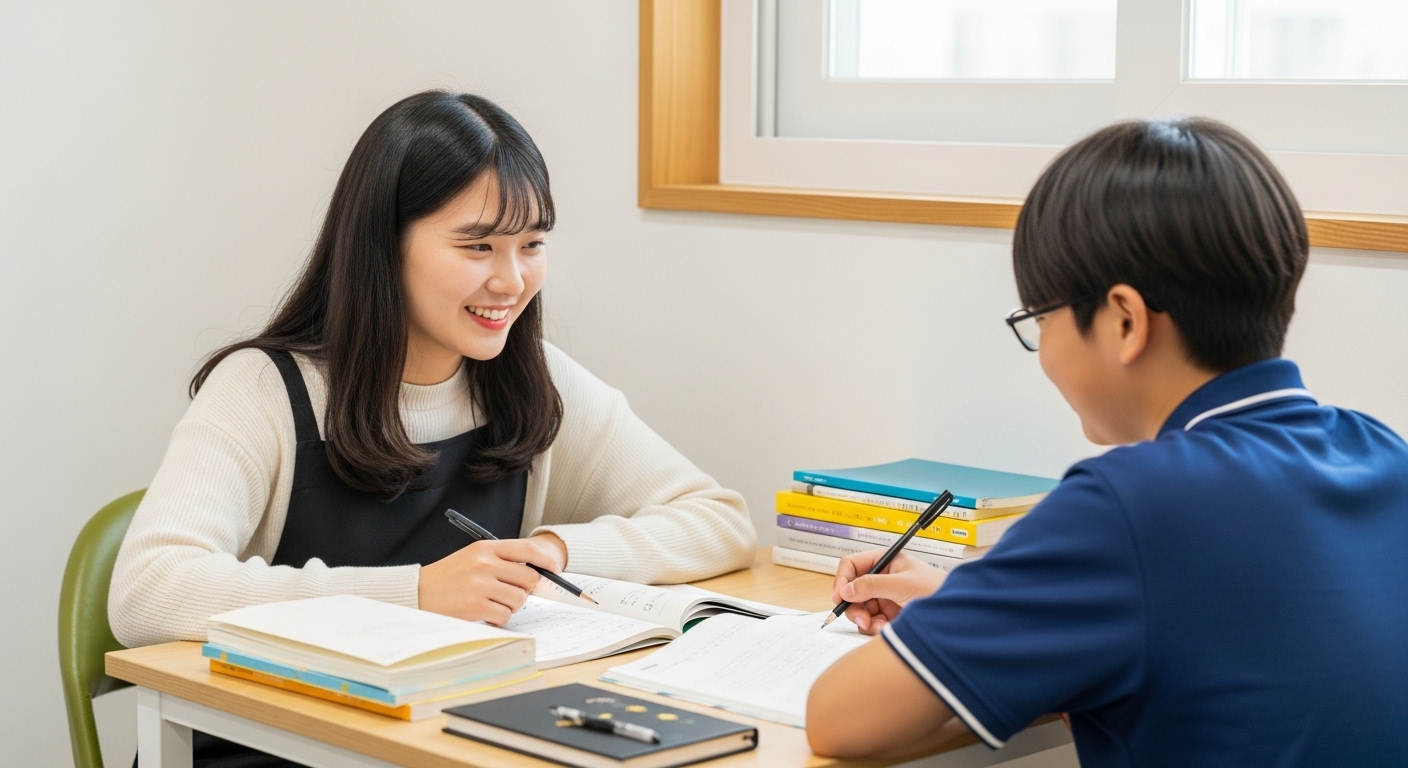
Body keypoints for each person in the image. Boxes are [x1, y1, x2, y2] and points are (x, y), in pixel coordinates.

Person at [110, 91, 755, 766]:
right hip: (265, 747)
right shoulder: (265, 388)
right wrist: (415, 593)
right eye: (477, 245)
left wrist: (549, 556)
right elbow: (147, 590)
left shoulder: (529, 376)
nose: (511, 280)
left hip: (429, 745)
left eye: (531, 244)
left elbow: (719, 520)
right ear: (383, 247)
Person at [807, 118, 1408, 767]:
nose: (1043, 353)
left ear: (1124, 319)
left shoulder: (1129, 502)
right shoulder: (1380, 452)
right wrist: (975, 607)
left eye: (1041, 318)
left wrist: (967, 623)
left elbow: (840, 720)